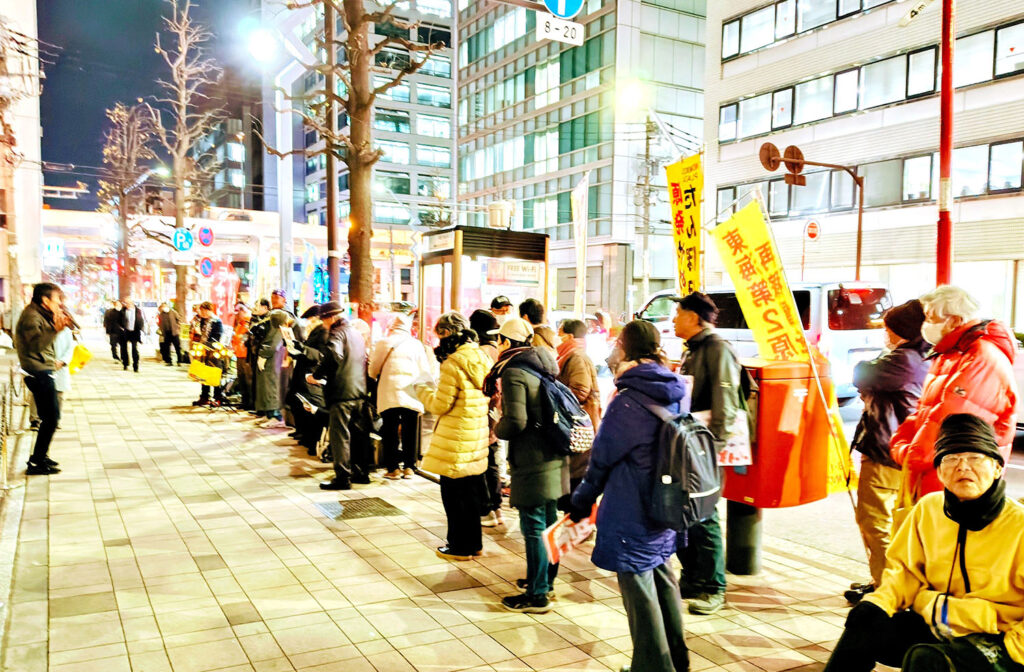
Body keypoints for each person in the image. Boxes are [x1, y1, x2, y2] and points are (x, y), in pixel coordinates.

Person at [824, 413, 1024, 672]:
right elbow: (904, 573)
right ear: (939, 471)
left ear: (997, 468)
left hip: (1001, 636)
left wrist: (1012, 651)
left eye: (975, 458)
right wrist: (879, 603)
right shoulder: (928, 509)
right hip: (939, 621)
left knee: (928, 660)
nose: (963, 467)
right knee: (864, 623)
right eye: (951, 459)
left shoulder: (1019, 525)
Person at [560, 320, 691, 672]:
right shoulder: (676, 389)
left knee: (640, 591)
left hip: (632, 508)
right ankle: (676, 661)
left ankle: (653, 668)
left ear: (624, 347)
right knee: (663, 578)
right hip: (667, 503)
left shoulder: (628, 401)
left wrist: (581, 501)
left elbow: (601, 460)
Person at [891, 285, 1018, 502]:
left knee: (944, 523)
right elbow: (926, 410)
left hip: (956, 477)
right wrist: (902, 440)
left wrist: (909, 453)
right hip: (938, 472)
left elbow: (950, 422)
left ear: (955, 320)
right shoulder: (951, 353)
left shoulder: (979, 357)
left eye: (930, 317)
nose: (925, 324)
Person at [845, 300, 931, 605]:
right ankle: (886, 582)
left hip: (886, 451)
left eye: (888, 328)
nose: (885, 333)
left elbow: (861, 374)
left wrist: (865, 373)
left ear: (901, 330)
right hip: (900, 450)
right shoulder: (923, 355)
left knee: (874, 519)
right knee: (895, 522)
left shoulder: (904, 359)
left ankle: (885, 590)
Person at [670, 292, 742, 615]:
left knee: (705, 515)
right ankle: (693, 578)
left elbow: (726, 405)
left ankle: (714, 587)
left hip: (704, 447)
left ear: (693, 317)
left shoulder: (717, 348)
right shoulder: (693, 348)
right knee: (685, 513)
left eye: (678, 313)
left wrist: (714, 449)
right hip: (688, 443)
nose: (674, 320)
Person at [490, 317, 569, 613]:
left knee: (534, 527)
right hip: (553, 455)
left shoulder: (514, 371)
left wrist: (497, 424)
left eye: (499, 340)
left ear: (506, 342)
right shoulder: (544, 366)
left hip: (532, 460)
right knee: (548, 525)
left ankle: (537, 595)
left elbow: (516, 422)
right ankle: (545, 582)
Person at [415, 312, 491, 560]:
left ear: (447, 333)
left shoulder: (453, 363)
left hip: (455, 438)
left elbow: (440, 405)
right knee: (470, 495)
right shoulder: (481, 356)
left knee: (454, 495)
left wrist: (422, 389)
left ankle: (459, 547)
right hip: (475, 436)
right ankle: (474, 544)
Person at [310, 301, 371, 490]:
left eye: (323, 320)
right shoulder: (356, 333)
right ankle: (361, 473)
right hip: (359, 391)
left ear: (331, 318)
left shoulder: (337, 333)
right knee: (359, 435)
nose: (323, 325)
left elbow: (333, 355)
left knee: (340, 435)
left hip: (342, 392)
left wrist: (317, 375)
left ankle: (343, 478)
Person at [16, 283, 71, 475]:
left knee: (49, 417)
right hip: (38, 372)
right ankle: (36, 461)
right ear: (45, 300)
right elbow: (36, 346)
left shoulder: (39, 314)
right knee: (51, 418)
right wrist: (55, 329)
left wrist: (57, 322)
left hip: (41, 369)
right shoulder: (31, 316)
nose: (59, 303)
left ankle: (40, 456)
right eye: (57, 299)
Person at [370, 312, 434, 480]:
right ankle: (409, 467)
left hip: (389, 392)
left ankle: (393, 469)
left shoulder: (383, 343)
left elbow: (373, 369)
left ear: (392, 326)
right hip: (410, 392)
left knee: (390, 430)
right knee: (410, 431)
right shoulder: (416, 344)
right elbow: (424, 370)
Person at [556, 318, 601, 491]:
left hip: (578, 423)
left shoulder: (576, 357)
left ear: (569, 336)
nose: (557, 337)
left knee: (576, 473)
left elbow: (580, 390)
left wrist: (556, 399)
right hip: (578, 423)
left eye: (560, 333)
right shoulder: (572, 355)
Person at [470, 309, 505, 527]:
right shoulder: (498, 350)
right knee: (493, 460)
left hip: (482, 412)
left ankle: (486, 510)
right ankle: (497, 508)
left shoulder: (479, 353)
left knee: (482, 461)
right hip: (497, 412)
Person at [288, 307, 327, 452]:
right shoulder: (315, 332)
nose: (308, 322)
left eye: (310, 319)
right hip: (303, 371)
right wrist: (294, 349)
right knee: (298, 402)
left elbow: (319, 355)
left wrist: (302, 348)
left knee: (310, 407)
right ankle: (304, 434)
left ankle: (311, 440)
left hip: (311, 374)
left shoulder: (323, 332)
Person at [255, 309, 289, 427]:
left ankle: (275, 416)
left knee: (271, 387)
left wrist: (263, 355)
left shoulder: (278, 330)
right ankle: (268, 414)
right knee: (266, 388)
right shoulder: (275, 328)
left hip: (273, 362)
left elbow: (273, 345)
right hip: (270, 362)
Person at [191, 302, 226, 407]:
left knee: (214, 374)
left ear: (208, 310)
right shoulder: (202, 320)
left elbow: (217, 337)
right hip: (203, 351)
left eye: (203, 310)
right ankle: (205, 396)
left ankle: (217, 397)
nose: (201, 313)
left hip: (213, 352)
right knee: (203, 374)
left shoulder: (217, 321)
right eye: (201, 311)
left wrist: (207, 344)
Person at [231, 305, 254, 410]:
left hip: (246, 355)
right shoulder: (240, 324)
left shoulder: (248, 323)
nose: (236, 315)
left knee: (248, 380)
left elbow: (244, 339)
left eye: (238, 312)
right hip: (239, 354)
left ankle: (250, 403)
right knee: (241, 379)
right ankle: (244, 401)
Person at [119, 297, 145, 373]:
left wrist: (141, 329)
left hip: (135, 332)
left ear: (132, 303)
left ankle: (135, 365)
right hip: (125, 331)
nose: (126, 304)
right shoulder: (123, 311)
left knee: (134, 349)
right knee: (124, 348)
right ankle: (125, 363)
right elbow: (119, 320)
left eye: (128, 303)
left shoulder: (138, 311)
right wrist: (121, 328)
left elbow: (141, 321)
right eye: (125, 303)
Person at [158, 302, 182, 366]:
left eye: (164, 306)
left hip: (174, 333)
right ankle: (169, 361)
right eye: (162, 307)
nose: (163, 308)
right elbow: (160, 323)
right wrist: (162, 330)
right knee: (167, 348)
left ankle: (179, 361)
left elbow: (179, 319)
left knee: (177, 347)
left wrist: (177, 327)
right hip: (166, 333)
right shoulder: (161, 314)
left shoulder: (173, 312)